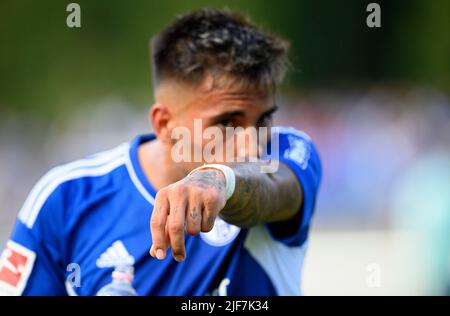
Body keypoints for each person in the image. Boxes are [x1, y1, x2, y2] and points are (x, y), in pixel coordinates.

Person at [0, 8, 321, 296]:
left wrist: (218, 180)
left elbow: (272, 188)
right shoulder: (66, 198)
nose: (252, 145)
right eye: (227, 124)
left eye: (263, 119)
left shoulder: (287, 151)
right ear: (164, 123)